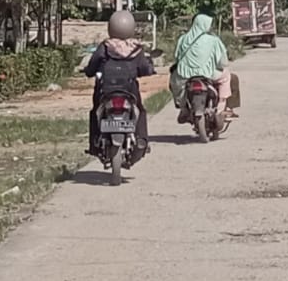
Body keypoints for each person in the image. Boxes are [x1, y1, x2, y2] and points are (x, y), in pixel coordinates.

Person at [83, 10, 154, 165]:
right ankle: (142, 141)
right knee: (140, 111)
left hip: (105, 91)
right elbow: (145, 68)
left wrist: (88, 72)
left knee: (95, 112)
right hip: (130, 91)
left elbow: (92, 66)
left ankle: (94, 143)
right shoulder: (136, 49)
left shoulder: (105, 47)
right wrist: (149, 69)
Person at [170, 14, 236, 122]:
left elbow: (177, 57)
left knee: (175, 84)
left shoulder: (183, 39)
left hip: (185, 74)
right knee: (226, 77)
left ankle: (183, 108)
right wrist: (219, 66)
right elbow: (223, 62)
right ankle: (221, 106)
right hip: (208, 73)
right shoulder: (214, 40)